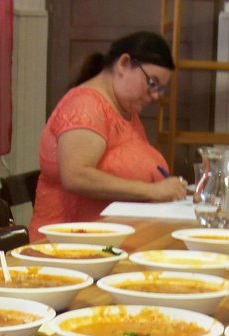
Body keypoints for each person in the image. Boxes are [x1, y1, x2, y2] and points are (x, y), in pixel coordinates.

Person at [29, 32, 187, 238]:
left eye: (160, 88)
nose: (155, 95)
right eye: (152, 82)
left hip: (106, 237)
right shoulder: (85, 106)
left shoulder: (124, 109)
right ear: (123, 63)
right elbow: (75, 176)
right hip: (69, 244)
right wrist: (151, 190)